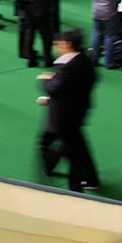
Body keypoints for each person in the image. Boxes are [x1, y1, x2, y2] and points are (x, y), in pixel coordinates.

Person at [36, 28, 99, 191]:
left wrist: (46, 81)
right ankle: (89, 179)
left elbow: (55, 87)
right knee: (77, 147)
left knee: (67, 150)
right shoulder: (84, 62)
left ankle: (75, 186)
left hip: (64, 116)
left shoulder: (68, 68)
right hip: (76, 112)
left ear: (67, 45)